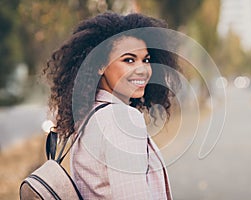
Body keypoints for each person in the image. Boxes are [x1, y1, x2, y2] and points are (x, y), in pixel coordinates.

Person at [43, 11, 180, 199]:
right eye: (129, 60)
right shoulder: (120, 119)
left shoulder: (87, 115)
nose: (143, 69)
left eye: (146, 60)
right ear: (100, 64)